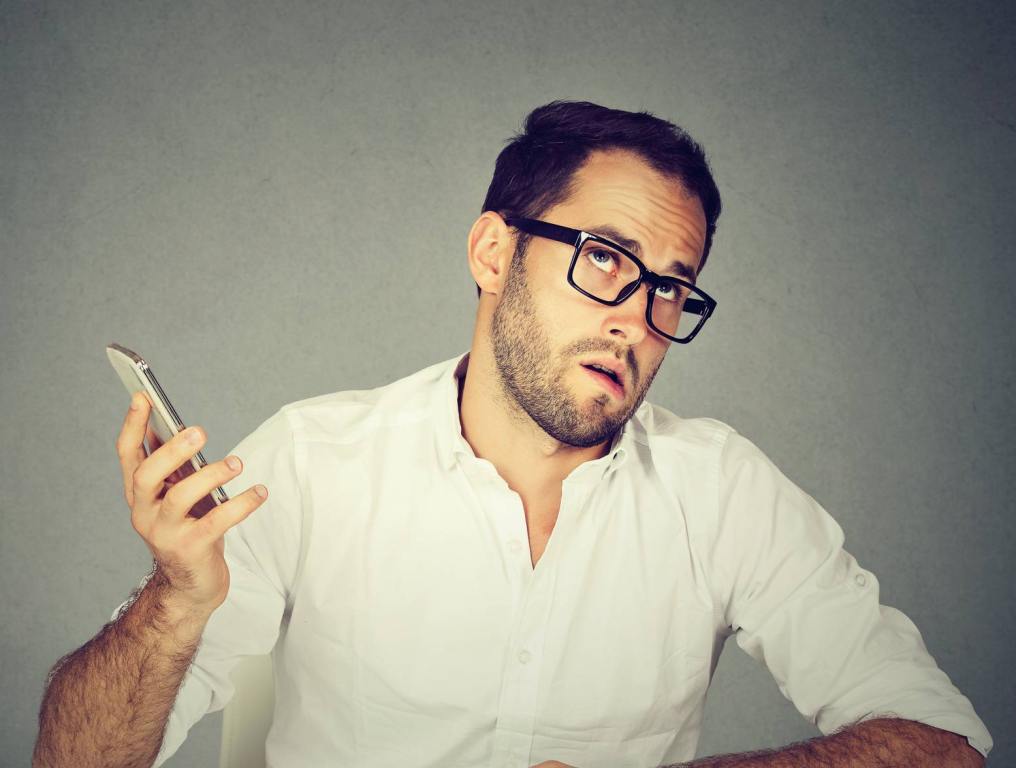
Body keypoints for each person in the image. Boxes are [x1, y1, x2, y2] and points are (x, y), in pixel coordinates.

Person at [33, 101, 991, 768]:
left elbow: (940, 741)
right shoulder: (315, 464)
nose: (637, 318)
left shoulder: (722, 491)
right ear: (495, 253)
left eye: (671, 287)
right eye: (608, 260)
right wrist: (174, 603)